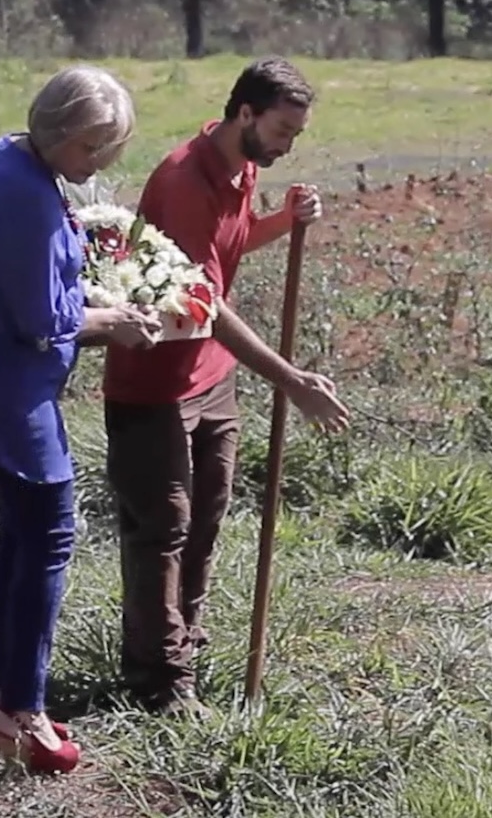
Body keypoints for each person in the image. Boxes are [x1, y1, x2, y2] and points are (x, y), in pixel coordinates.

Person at [0, 64, 165, 773]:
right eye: (92, 150)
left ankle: (7, 693)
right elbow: (41, 320)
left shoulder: (5, 156)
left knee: (26, 533)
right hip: (6, 381)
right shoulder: (26, 198)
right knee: (51, 529)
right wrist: (115, 319)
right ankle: (23, 712)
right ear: (58, 131)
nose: (96, 166)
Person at [100, 56, 353, 717]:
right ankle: (159, 681)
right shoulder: (185, 180)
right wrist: (291, 380)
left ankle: (182, 644)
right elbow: (203, 304)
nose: (287, 145)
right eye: (282, 130)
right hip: (155, 381)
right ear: (246, 113)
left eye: (295, 134)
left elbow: (226, 250)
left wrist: (285, 220)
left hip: (211, 378)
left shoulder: (241, 166)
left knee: (206, 521)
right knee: (164, 529)